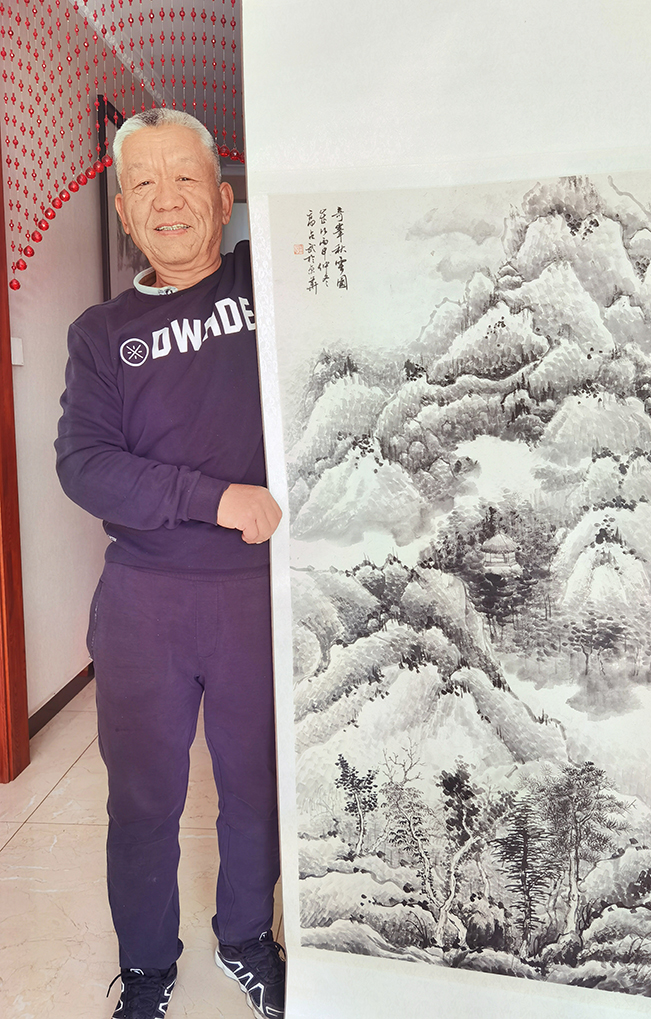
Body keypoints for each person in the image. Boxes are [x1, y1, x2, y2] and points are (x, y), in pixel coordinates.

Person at [55, 109, 285, 1019]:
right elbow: (85, 464)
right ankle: (147, 967)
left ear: (224, 199)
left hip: (256, 595)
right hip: (143, 601)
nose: (167, 199)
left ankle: (246, 939)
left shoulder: (265, 283)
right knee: (143, 801)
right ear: (123, 211)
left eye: (186, 177)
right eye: (144, 183)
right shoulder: (100, 332)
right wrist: (213, 496)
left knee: (255, 786)